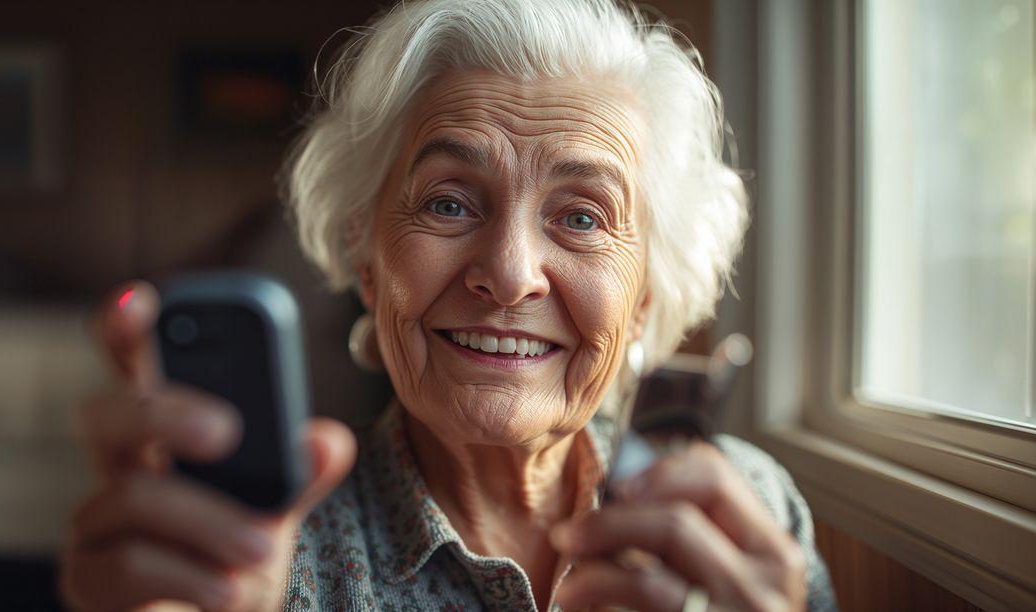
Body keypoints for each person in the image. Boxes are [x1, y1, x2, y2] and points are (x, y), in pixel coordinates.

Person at [61, 0, 837, 610]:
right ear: (369, 262)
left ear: (642, 301)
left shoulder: (749, 514)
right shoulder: (264, 549)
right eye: (448, 204)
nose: (508, 274)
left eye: (581, 217)